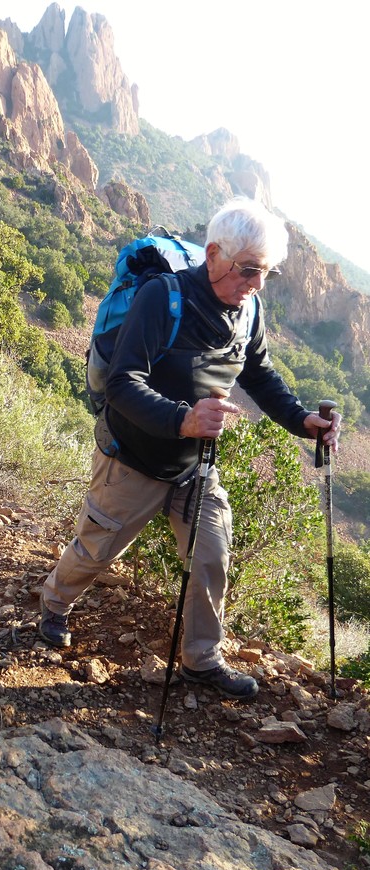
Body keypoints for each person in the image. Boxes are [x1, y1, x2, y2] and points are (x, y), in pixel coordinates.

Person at [39, 197, 341, 701]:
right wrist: (184, 419)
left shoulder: (249, 310)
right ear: (214, 253)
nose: (257, 284)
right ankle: (54, 603)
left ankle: (201, 659)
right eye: (248, 270)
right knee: (96, 549)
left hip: (195, 465)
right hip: (133, 456)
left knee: (211, 555)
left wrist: (300, 419)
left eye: (266, 273)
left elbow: (259, 374)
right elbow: (122, 382)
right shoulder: (163, 298)